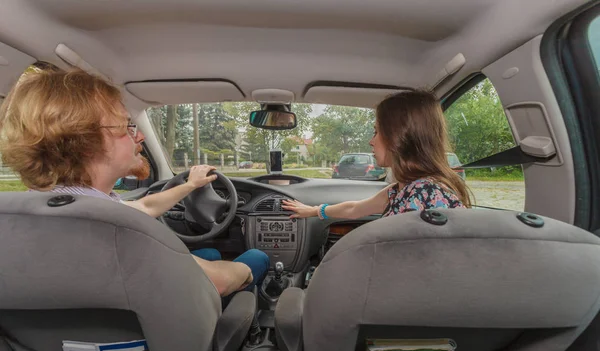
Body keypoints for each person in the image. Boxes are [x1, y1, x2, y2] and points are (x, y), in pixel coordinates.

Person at [0, 68, 268, 298]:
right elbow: (218, 282)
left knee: (208, 251)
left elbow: (144, 206)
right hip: (163, 348)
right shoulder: (123, 233)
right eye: (126, 126)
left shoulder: (23, 216)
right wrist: (243, 270)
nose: (138, 136)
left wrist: (190, 185)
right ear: (85, 141)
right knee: (255, 258)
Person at [282, 90, 471, 219]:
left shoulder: (425, 193)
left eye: (376, 132)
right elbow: (354, 209)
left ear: (398, 136)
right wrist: (314, 210)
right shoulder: (405, 189)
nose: (371, 141)